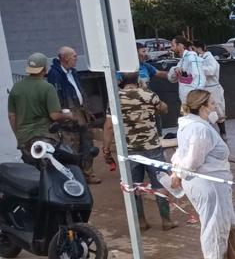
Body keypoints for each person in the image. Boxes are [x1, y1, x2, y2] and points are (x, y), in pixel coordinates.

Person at [170, 89, 235, 259]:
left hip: (216, 183)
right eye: (212, 104)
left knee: (226, 221)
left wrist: (176, 171)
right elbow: (192, 161)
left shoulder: (195, 126)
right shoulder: (199, 130)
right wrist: (177, 173)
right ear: (203, 107)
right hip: (208, 184)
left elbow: (181, 154)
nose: (215, 107)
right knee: (215, 224)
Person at [101, 73, 176, 231]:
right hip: (152, 147)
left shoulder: (115, 99)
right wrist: (146, 92)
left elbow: (108, 126)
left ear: (121, 81)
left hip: (129, 150)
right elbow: (165, 109)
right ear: (137, 80)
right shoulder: (148, 94)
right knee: (160, 183)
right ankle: (166, 220)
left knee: (133, 186)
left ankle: (141, 222)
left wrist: (106, 148)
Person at [47, 46, 100, 183]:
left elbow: (80, 92)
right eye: (74, 56)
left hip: (81, 111)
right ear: (65, 58)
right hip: (69, 113)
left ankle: (88, 172)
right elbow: (56, 94)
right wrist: (64, 112)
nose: (76, 58)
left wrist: (87, 110)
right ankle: (75, 175)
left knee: (87, 142)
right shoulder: (55, 74)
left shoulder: (73, 72)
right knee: (72, 145)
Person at [8, 52, 66, 160]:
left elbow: (12, 116)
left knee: (33, 172)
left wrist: (19, 137)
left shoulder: (16, 87)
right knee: (53, 169)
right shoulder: (47, 88)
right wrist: (68, 116)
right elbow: (55, 116)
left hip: (24, 139)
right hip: (45, 137)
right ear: (45, 68)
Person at [194, 42, 228, 139]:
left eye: (194, 48)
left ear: (199, 48)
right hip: (203, 88)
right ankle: (209, 134)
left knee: (218, 110)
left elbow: (211, 70)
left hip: (213, 88)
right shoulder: (198, 58)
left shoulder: (209, 58)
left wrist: (198, 68)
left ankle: (223, 132)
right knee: (205, 111)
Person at [167, 36, 207, 107]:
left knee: (195, 118)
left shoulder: (192, 58)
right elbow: (171, 79)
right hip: (185, 102)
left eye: (173, 45)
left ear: (180, 46)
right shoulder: (182, 60)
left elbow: (200, 78)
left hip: (193, 102)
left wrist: (196, 99)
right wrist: (175, 69)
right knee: (186, 117)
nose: (171, 48)